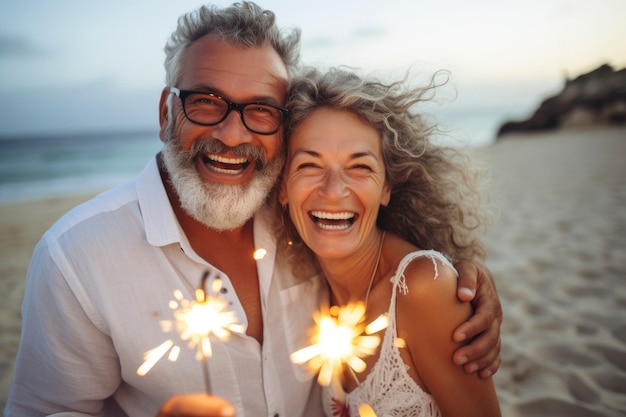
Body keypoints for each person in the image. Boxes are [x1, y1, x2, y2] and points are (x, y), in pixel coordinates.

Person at [5, 3, 502, 417]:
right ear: (165, 112)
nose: (231, 134)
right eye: (205, 102)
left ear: (279, 133)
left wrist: (457, 282)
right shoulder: (75, 258)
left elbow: (392, 272)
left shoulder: (300, 222)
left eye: (260, 110)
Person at [275, 67, 501, 416]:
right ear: (281, 188)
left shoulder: (421, 287)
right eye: (309, 166)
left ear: (387, 188)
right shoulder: (307, 287)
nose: (333, 191)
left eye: (360, 167)